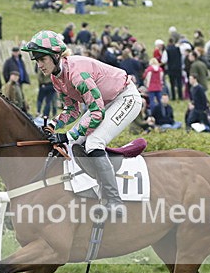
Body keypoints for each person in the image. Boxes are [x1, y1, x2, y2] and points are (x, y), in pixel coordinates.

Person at [21, 30, 142, 217]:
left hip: (126, 98)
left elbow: (96, 112)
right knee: (74, 144)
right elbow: (72, 110)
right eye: (36, 61)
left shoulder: (77, 73)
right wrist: (54, 125)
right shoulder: (56, 78)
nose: (39, 65)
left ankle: (114, 201)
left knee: (94, 142)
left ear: (55, 56)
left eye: (42, 59)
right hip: (106, 102)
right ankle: (92, 191)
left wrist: (68, 134)